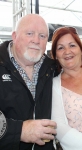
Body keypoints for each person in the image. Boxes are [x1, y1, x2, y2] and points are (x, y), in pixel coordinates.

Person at [0, 14, 58, 149]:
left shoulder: (53, 68)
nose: (36, 40)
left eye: (42, 36)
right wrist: (19, 130)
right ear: (14, 36)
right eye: (30, 33)